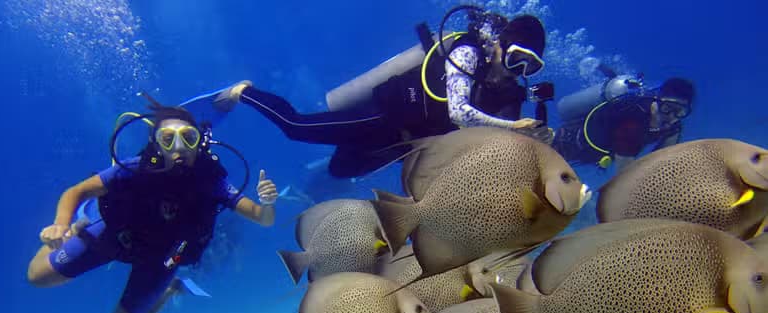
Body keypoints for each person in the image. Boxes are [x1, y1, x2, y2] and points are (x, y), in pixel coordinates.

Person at [200, 7, 553, 178]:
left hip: (405, 142)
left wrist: (536, 136)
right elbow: (459, 112)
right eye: (518, 59)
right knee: (296, 128)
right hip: (385, 116)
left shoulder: (507, 94)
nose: (518, 71)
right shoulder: (467, 52)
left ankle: (337, 143)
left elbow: (506, 145)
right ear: (501, 44)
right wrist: (512, 128)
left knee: (340, 171)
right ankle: (245, 91)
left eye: (530, 67)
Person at [26, 99, 279, 313]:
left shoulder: (212, 181)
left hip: (164, 256)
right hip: (114, 236)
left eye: (188, 138)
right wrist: (60, 226)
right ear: (156, 143)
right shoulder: (134, 168)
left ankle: (171, 289)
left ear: (199, 143)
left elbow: (263, 219)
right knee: (36, 277)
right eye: (168, 139)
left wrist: (267, 204)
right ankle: (79, 223)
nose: (179, 148)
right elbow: (76, 191)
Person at [553, 67, 695, 171]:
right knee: (541, 163)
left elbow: (661, 163)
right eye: (667, 107)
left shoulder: (674, 127)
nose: (671, 117)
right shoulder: (633, 119)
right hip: (571, 140)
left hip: (597, 153)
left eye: (680, 111)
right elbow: (625, 173)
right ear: (656, 101)